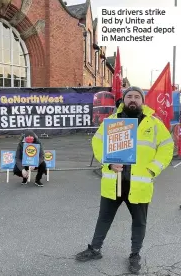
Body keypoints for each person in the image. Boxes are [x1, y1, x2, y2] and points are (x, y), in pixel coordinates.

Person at [75, 86, 174, 274]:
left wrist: (153, 169)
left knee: (139, 221)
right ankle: (95, 249)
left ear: (142, 101)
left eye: (137, 97)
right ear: (124, 100)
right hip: (115, 180)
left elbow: (167, 147)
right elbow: (97, 143)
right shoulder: (112, 122)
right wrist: (108, 163)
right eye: (130, 96)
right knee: (104, 217)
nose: (133, 100)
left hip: (140, 182)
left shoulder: (153, 124)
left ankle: (135, 254)